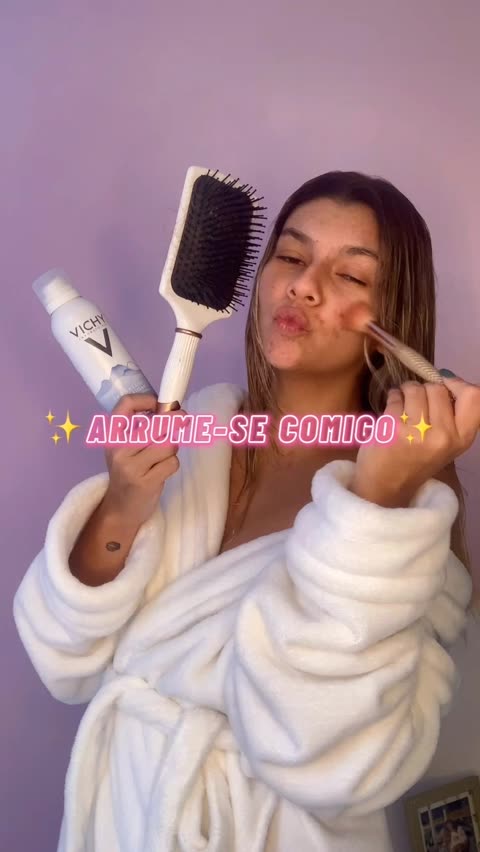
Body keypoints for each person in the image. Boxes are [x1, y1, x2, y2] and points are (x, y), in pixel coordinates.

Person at [14, 171, 479, 852]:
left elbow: (334, 759)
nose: (304, 285)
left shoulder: (403, 511)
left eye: (351, 275)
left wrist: (376, 503)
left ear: (391, 325)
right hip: (125, 818)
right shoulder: (198, 438)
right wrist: (121, 506)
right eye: (289, 256)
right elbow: (64, 660)